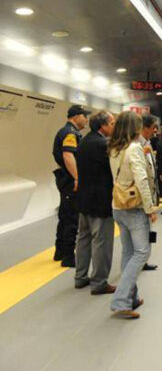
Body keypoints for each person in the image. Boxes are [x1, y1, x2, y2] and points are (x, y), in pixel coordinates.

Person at [108, 111, 158, 319]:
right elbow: (142, 180)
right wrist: (150, 208)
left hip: (118, 206)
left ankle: (131, 298)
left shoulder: (113, 149)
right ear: (135, 128)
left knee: (129, 252)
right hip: (134, 208)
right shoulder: (134, 148)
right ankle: (120, 302)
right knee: (142, 253)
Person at [74, 110, 117, 293]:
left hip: (84, 199)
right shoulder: (103, 144)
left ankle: (80, 277)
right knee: (101, 241)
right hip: (101, 200)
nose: (114, 127)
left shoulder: (83, 141)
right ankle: (99, 282)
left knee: (83, 238)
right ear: (103, 126)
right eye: (112, 123)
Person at [52, 105, 90, 267]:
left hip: (66, 178)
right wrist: (77, 178)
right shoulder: (70, 133)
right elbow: (68, 156)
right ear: (76, 116)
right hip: (69, 180)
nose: (86, 119)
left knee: (64, 214)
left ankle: (60, 251)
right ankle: (68, 256)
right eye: (84, 116)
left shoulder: (70, 132)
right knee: (71, 218)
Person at [139, 115, 160, 271]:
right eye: (153, 127)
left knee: (148, 230)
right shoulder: (137, 145)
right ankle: (140, 261)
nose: (155, 130)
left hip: (150, 195)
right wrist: (149, 206)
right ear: (145, 127)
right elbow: (141, 177)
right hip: (142, 199)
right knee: (142, 232)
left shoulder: (148, 143)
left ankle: (144, 260)